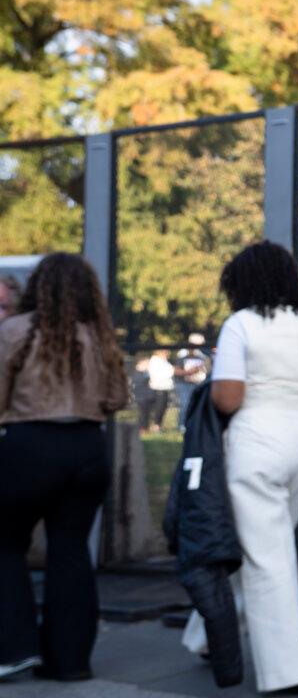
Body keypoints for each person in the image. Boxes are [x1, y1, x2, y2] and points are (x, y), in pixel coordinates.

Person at [181, 241, 298, 696]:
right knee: (262, 545)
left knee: (265, 555)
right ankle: (205, 635)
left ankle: (290, 672)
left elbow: (227, 398)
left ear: (243, 282)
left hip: (255, 442)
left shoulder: (242, 324)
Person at [0, 253, 128, 681]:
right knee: (71, 551)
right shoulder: (100, 337)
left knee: (5, 545)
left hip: (28, 445)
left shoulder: (14, 331)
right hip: (87, 447)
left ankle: (15, 647)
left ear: (39, 286)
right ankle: (70, 662)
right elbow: (116, 400)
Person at [173, 333, 211, 427]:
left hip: (198, 382)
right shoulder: (183, 353)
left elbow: (207, 367)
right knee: (185, 404)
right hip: (184, 383)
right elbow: (178, 369)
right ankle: (182, 424)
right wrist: (190, 371)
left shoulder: (203, 354)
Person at [145, 348, 174, 432]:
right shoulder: (155, 361)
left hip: (165, 388)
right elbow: (167, 372)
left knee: (163, 407)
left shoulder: (164, 361)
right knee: (159, 408)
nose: (168, 354)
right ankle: (155, 425)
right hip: (159, 388)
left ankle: (158, 425)